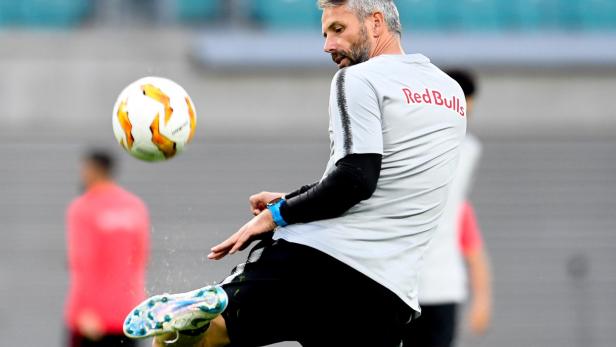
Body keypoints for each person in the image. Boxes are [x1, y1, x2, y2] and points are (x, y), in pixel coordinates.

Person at [125, 1, 466, 346]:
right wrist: (294, 198)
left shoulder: (358, 78)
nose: (328, 45)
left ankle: (209, 311)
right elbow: (382, 180)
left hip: (315, 266)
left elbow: (354, 180)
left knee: (199, 337)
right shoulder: (451, 93)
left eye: (338, 29)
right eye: (325, 34)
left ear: (376, 23)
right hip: (387, 296)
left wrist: (277, 215)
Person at [403, 70, 492, 347]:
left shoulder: (466, 155)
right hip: (405, 287)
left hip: (440, 287)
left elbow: (471, 242)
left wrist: (483, 298)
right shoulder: (409, 149)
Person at [65, 150, 150, 347]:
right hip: (128, 315)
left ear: (94, 170)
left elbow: (82, 261)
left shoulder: (83, 208)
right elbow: (141, 258)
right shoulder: (135, 206)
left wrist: (85, 311)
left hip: (93, 317)